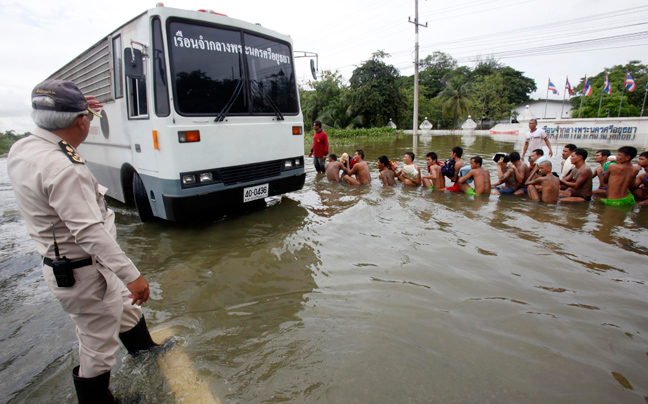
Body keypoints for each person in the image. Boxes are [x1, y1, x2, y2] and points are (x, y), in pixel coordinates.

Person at [7, 80, 159, 403]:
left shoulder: (23, 149)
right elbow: (90, 232)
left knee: (126, 311)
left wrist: (74, 111)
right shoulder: (64, 170)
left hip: (81, 266)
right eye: (86, 118)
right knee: (97, 349)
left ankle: (147, 352)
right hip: (85, 272)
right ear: (79, 122)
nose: (89, 123)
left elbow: (62, 145)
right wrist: (133, 275)